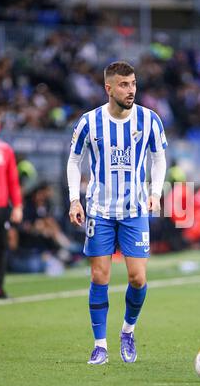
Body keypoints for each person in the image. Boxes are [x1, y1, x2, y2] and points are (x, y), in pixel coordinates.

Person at [67, 61, 167, 365]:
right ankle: (100, 345)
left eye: (134, 83)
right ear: (108, 88)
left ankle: (128, 330)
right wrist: (74, 199)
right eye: (124, 85)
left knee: (137, 278)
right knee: (100, 276)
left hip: (135, 209)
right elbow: (74, 161)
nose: (131, 90)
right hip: (99, 209)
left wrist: (155, 193)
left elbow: (159, 158)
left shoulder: (150, 120)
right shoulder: (89, 122)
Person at [0, 110, 23, 298]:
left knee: (1, 247)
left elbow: (13, 180)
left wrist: (17, 205)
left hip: (0, 206)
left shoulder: (6, 149)